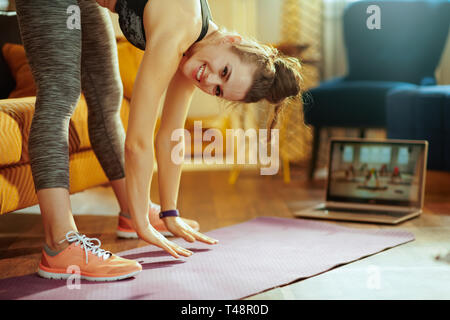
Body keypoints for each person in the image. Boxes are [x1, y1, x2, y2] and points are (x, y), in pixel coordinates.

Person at [15, 0, 303, 281]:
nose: (210, 79)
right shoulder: (181, 26)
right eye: (224, 71)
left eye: (218, 89)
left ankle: (131, 209)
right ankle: (60, 244)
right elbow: (138, 141)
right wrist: (143, 226)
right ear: (231, 40)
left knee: (106, 101)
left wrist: (170, 212)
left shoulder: (200, 46)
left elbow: (170, 136)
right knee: (60, 95)